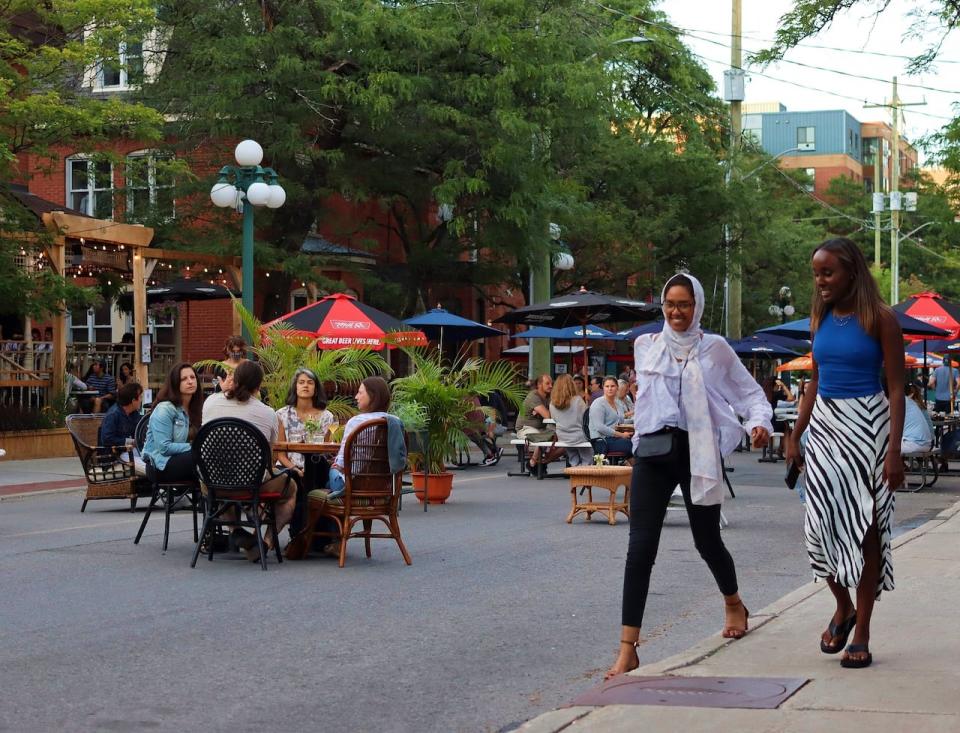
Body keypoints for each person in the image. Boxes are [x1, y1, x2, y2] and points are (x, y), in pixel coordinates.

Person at [606, 272, 772, 680]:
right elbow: (643, 402)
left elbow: (750, 393)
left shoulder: (715, 349)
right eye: (670, 304)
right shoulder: (645, 346)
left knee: (707, 540)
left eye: (684, 304)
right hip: (652, 453)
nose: (677, 312)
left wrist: (759, 421)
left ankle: (733, 602)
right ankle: (628, 648)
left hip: (697, 451)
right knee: (640, 548)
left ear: (697, 305)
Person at [785, 237, 905, 670]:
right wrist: (796, 433)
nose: (820, 281)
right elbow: (813, 383)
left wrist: (894, 450)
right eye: (816, 273)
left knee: (866, 530)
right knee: (819, 527)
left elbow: (896, 389)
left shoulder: (881, 319)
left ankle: (864, 632)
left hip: (868, 428)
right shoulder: (820, 318)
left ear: (851, 271)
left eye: (828, 273)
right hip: (825, 428)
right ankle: (843, 607)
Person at [203, 360, 296, 561]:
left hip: (211, 483)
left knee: (224, 479)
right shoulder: (267, 413)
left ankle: (236, 530)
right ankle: (264, 542)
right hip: (251, 484)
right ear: (258, 386)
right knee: (292, 490)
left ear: (233, 380)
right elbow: (269, 453)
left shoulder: (210, 402)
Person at [315, 376, 406, 500]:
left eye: (360, 392)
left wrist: (334, 465)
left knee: (324, 474)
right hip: (383, 486)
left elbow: (342, 459)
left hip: (353, 485)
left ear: (372, 396)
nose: (356, 397)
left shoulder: (356, 422)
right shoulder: (394, 422)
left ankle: (328, 512)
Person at [142, 362, 202, 483]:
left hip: (183, 459)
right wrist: (195, 447)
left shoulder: (196, 408)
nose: (190, 381)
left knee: (215, 454)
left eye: (192, 377)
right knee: (204, 456)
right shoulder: (165, 409)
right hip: (161, 465)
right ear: (175, 384)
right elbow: (164, 447)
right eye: (184, 379)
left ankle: (221, 496)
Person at [515, 374, 565, 474]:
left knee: (566, 442)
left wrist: (543, 411)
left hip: (542, 429)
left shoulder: (549, 397)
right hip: (525, 428)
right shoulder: (533, 396)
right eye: (547, 383)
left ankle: (543, 462)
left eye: (552, 383)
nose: (551, 386)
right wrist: (547, 412)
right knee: (543, 437)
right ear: (539, 384)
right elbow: (548, 416)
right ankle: (533, 462)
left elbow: (559, 411)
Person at [549, 374, 592, 466]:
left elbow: (554, 419)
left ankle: (575, 471)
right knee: (587, 457)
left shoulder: (552, 403)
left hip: (562, 436)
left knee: (573, 457)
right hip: (579, 436)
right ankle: (585, 473)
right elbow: (585, 419)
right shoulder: (578, 400)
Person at [589, 376, 633, 460]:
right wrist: (622, 435)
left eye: (612, 386)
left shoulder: (618, 403)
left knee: (637, 441)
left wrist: (636, 422)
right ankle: (636, 470)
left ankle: (633, 470)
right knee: (630, 444)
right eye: (607, 386)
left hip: (615, 438)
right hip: (602, 441)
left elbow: (621, 421)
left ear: (617, 388)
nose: (610, 389)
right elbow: (600, 427)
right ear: (603, 388)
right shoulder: (598, 403)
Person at [100, 382, 143, 452]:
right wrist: (130, 442)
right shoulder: (113, 414)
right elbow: (107, 439)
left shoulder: (134, 413)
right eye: (140, 397)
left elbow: (138, 431)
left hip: (127, 451)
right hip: (114, 454)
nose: (141, 400)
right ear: (133, 401)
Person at [902, 383, 934, 455]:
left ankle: (902, 465)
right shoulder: (918, 405)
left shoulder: (910, 404)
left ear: (911, 394)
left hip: (921, 442)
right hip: (929, 441)